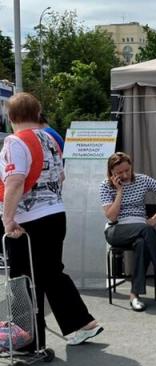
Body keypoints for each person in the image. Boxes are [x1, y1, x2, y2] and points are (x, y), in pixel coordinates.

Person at [1, 92, 102, 347]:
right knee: (51, 272)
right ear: (38, 113)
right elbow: (61, 177)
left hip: (28, 219)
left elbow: (15, 181)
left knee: (24, 278)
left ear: (10, 117)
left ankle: (28, 340)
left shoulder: (15, 142)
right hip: (55, 214)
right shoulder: (50, 139)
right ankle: (82, 323)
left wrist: (8, 219)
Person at [100, 152, 156, 312]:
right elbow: (111, 216)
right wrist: (119, 191)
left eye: (127, 170)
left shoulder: (142, 180)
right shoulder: (105, 185)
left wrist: (155, 217)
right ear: (111, 172)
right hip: (116, 230)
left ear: (131, 166)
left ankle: (134, 295)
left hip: (141, 230)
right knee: (147, 229)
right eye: (119, 172)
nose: (125, 175)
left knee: (142, 243)